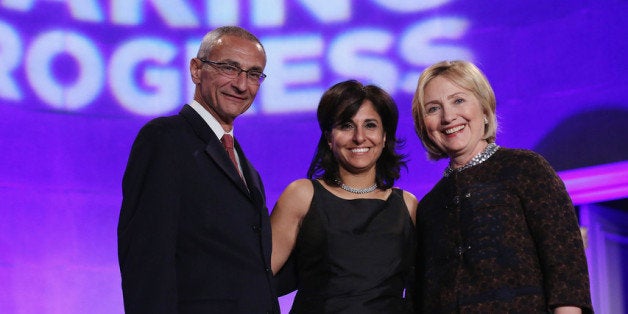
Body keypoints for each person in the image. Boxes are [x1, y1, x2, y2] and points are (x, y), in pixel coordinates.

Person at [117, 26, 279, 313]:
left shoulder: (247, 169)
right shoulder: (166, 139)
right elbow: (147, 260)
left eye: (254, 74)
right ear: (196, 70)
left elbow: (251, 270)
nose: (242, 84)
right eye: (230, 68)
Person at [411, 60, 593, 313]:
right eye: (433, 108)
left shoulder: (525, 168)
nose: (448, 116)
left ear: (484, 109)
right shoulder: (429, 206)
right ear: (424, 126)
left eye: (459, 100)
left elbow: (565, 266)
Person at [270, 80, 418, 313]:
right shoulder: (301, 195)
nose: (360, 137)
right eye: (347, 125)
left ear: (384, 135)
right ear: (329, 137)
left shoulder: (407, 206)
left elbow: (423, 289)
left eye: (370, 125)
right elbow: (255, 280)